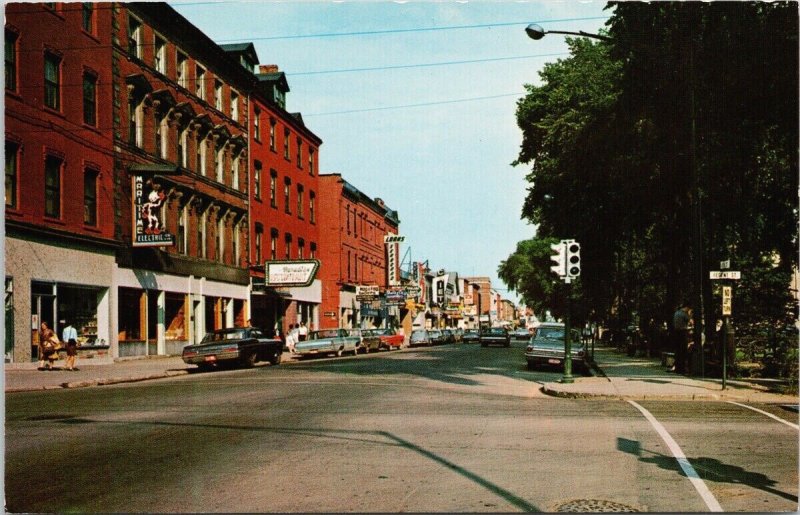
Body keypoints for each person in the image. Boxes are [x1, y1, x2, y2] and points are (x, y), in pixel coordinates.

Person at [672, 304, 692, 373]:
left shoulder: (676, 313)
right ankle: (682, 368)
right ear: (686, 308)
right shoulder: (684, 314)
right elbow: (690, 321)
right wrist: (689, 314)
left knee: (677, 350)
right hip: (683, 332)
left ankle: (677, 367)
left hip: (676, 332)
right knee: (683, 350)